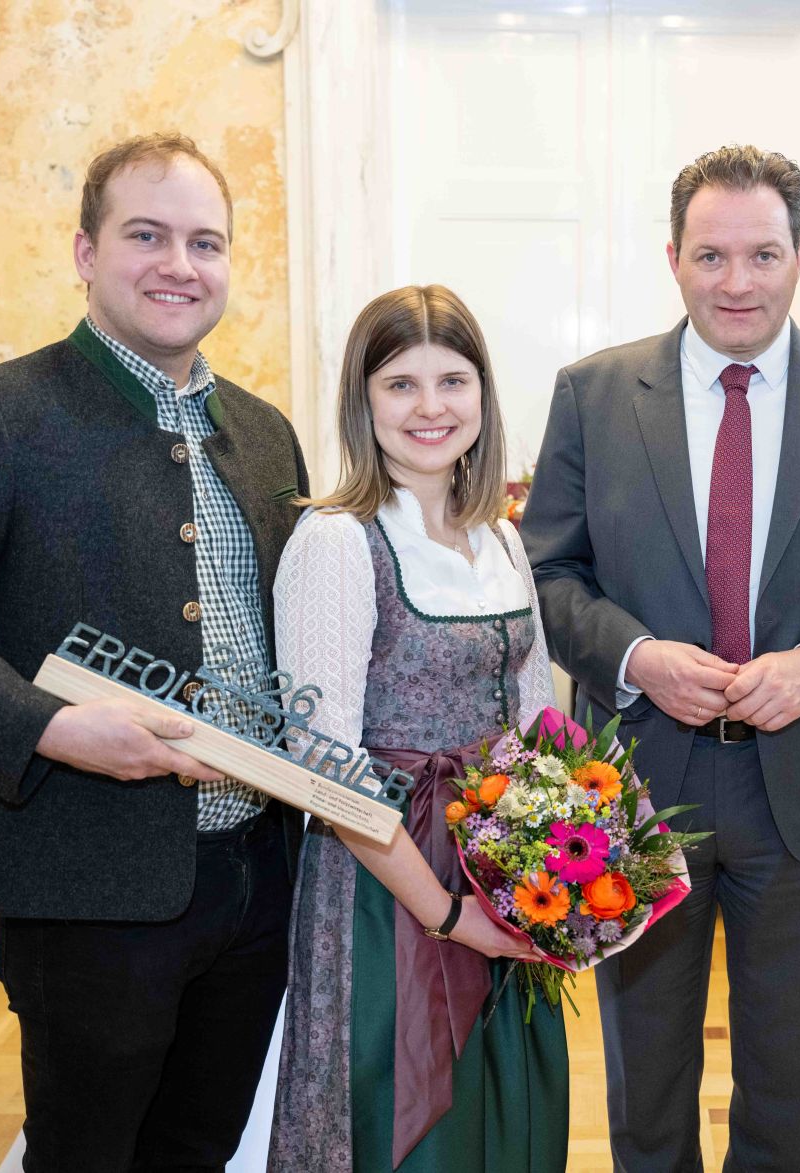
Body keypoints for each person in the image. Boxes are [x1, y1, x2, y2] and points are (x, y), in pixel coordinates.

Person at [0, 134, 311, 1169]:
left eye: (205, 242)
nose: (180, 263)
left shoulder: (264, 431)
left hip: (253, 883)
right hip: (85, 888)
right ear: (85, 252)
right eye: (147, 235)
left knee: (202, 1151)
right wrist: (50, 729)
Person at [521, 145, 800, 1172]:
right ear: (672, 258)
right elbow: (548, 575)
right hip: (637, 787)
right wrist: (637, 659)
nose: (736, 282)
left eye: (761, 254)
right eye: (711, 255)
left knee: (784, 1071)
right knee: (645, 1068)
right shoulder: (592, 392)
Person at [267, 285, 567, 1172]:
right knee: (407, 1122)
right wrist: (447, 913)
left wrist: (562, 862)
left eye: (453, 380)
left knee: (506, 1104)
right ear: (363, 402)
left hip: (496, 864)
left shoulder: (500, 538)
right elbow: (324, 767)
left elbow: (540, 716)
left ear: (484, 395)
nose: (431, 407)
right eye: (400, 384)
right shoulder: (338, 540)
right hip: (387, 887)